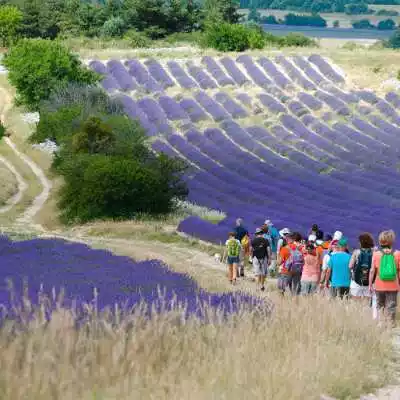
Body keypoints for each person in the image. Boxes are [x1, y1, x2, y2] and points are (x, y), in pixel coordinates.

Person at [369, 230, 400, 325]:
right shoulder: (397, 254)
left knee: (380, 306)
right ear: (392, 241)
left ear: (380, 241)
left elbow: (372, 271)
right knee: (391, 307)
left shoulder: (376, 254)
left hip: (379, 285)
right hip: (393, 285)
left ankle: (381, 325)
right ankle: (390, 326)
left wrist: (370, 284)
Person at [349, 233, 374, 300]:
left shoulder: (356, 252)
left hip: (356, 281)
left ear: (360, 242)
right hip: (369, 281)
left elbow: (350, 266)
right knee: (367, 304)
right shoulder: (374, 252)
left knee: (355, 304)